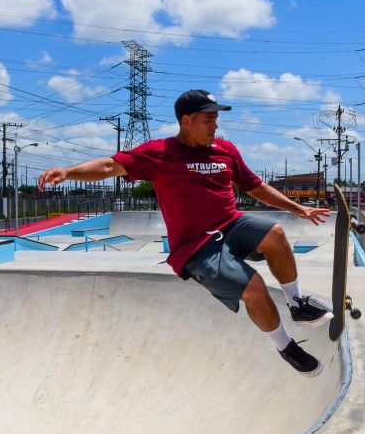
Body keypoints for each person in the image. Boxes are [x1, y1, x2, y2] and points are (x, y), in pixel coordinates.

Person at [38, 89, 332, 377]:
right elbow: (108, 165)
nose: (215, 127)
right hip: (196, 246)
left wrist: (298, 209)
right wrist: (67, 172)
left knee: (276, 233)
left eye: (216, 120)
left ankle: (296, 304)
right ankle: (286, 346)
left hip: (231, 225)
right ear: (186, 121)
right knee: (254, 288)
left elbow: (254, 186)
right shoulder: (160, 153)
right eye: (209, 121)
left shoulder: (226, 150)